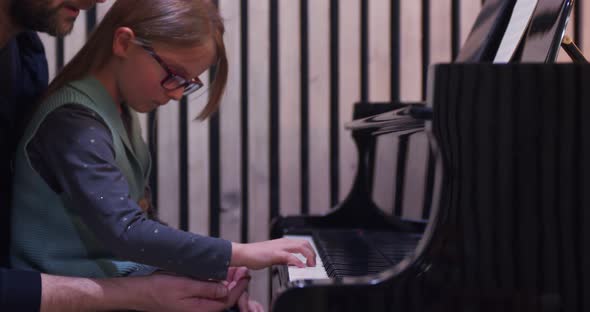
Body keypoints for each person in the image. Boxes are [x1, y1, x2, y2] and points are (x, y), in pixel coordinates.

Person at [10, 0, 314, 306]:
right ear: (124, 43)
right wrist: (241, 251)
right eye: (174, 74)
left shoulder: (116, 112)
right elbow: (127, 231)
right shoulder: (73, 123)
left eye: (188, 83)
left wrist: (208, 270)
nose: (178, 92)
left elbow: (140, 226)